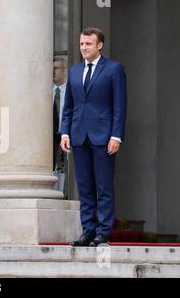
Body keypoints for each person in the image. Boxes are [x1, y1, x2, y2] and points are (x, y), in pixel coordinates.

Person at [60, 27, 127, 247]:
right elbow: (68, 106)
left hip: (104, 137)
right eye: (81, 44)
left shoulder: (114, 69)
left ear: (99, 45)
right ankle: (88, 230)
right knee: (84, 186)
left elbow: (120, 106)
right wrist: (65, 132)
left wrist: (116, 136)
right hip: (79, 136)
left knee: (104, 186)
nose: (83, 48)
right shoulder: (74, 71)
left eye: (88, 44)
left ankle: (103, 231)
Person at [52, 56, 68, 193]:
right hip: (50, 138)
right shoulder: (45, 91)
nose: (53, 71)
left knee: (66, 169)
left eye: (56, 68)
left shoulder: (72, 90)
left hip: (67, 135)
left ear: (64, 70)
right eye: (51, 69)